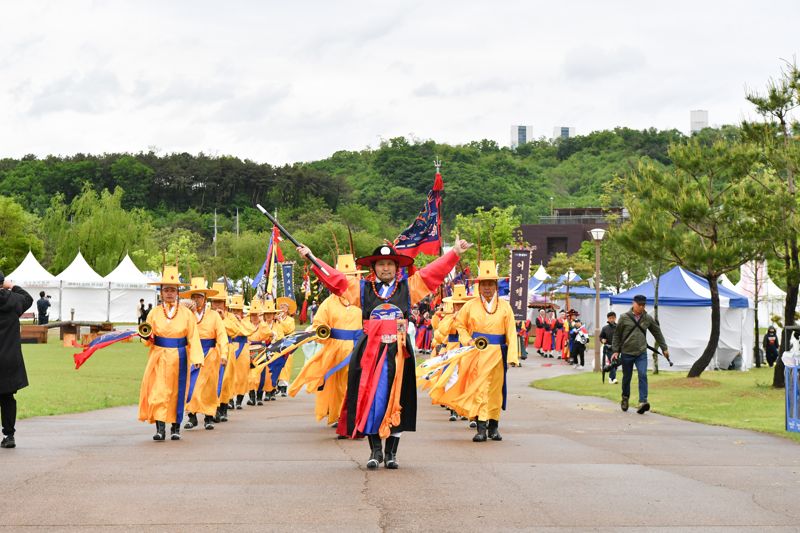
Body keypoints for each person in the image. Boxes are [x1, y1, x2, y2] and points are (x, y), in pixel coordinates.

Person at [298, 239, 470, 469]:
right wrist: (311, 257)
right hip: (370, 353)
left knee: (397, 400)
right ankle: (375, 451)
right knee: (371, 399)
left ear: (396, 267)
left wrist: (454, 253)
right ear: (374, 268)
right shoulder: (362, 290)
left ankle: (391, 453)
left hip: (399, 354)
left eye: (390, 263)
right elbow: (337, 280)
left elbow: (432, 273)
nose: (385, 268)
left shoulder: (409, 288)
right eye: (381, 264)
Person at [289, 254, 365, 429]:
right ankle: (339, 415)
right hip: (336, 351)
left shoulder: (363, 300)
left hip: (359, 349)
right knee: (337, 386)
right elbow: (319, 324)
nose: (348, 280)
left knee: (356, 384)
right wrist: (319, 331)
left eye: (352, 276)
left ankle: (356, 416)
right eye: (344, 277)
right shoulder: (328, 303)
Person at [449, 260, 519, 442]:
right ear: (479, 286)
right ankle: (480, 427)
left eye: (491, 284)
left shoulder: (505, 307)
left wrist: (512, 356)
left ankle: (493, 426)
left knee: (495, 390)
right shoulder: (470, 305)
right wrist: (467, 340)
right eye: (484, 284)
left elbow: (511, 331)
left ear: (496, 286)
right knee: (479, 388)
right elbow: (459, 324)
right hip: (477, 353)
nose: (487, 288)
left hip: (497, 354)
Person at [138, 266, 203, 441]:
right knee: (159, 392)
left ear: (178, 292)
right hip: (159, 356)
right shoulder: (154, 312)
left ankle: (175, 427)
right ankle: (160, 429)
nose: (169, 293)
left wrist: (197, 357)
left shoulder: (186, 314)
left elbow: (193, 336)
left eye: (172, 290)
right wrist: (147, 338)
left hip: (180, 356)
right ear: (160, 292)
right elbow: (146, 336)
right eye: (166, 290)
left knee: (176, 392)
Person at [182, 278, 228, 431]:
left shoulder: (214, 315)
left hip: (210, 354)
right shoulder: (187, 315)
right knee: (192, 385)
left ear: (205, 298)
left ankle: (209, 417)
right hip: (192, 353)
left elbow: (221, 335)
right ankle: (192, 415)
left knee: (209, 387)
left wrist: (224, 354)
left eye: (199, 297)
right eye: (194, 297)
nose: (196, 300)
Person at [611, 294, 669, 415]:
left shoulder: (647, 318)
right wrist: (615, 350)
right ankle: (625, 398)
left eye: (643, 305)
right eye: (639, 305)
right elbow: (617, 335)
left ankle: (642, 402)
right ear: (634, 303)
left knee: (643, 375)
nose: (642, 307)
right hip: (627, 352)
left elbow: (657, 332)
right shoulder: (623, 317)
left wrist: (664, 348)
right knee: (627, 377)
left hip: (641, 352)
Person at [0, 273, 34, 449]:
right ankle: (9, 434)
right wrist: (11, 285)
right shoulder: (13, 301)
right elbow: (28, 298)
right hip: (9, 357)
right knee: (7, 397)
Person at [599, 311, 618, 383]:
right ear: (608, 319)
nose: (612, 319)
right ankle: (613, 378)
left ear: (615, 318)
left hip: (617, 348)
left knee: (615, 364)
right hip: (608, 348)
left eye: (613, 318)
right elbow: (601, 337)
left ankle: (611, 377)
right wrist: (602, 340)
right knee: (613, 362)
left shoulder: (618, 327)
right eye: (610, 318)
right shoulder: (605, 328)